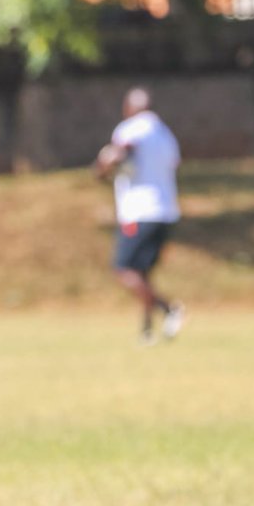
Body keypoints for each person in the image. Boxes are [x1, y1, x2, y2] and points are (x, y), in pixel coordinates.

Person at [94, 87, 185, 344]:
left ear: (130, 107)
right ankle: (146, 332)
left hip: (139, 211)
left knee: (123, 269)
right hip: (166, 212)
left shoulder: (130, 129)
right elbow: (175, 165)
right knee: (143, 274)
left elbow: (121, 152)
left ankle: (168, 309)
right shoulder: (166, 135)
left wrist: (101, 168)